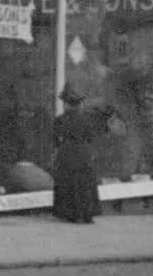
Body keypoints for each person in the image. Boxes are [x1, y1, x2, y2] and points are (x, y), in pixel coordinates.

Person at [52, 83, 102, 224]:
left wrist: (59, 149)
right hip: (83, 152)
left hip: (67, 152)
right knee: (85, 183)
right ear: (79, 104)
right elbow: (91, 137)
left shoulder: (60, 120)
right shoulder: (87, 119)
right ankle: (87, 214)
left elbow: (55, 138)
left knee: (68, 182)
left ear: (67, 104)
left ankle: (71, 213)